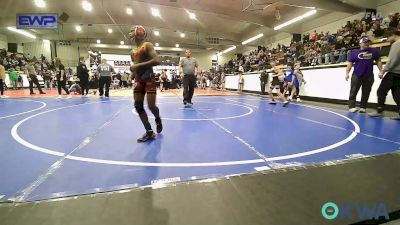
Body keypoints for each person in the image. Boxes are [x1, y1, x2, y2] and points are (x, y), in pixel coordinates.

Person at [129, 25, 163, 142]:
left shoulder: (147, 45)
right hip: (139, 80)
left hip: (149, 79)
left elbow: (157, 60)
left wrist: (136, 66)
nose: (138, 32)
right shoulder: (132, 52)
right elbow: (136, 67)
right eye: (137, 30)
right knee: (138, 106)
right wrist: (132, 74)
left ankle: (157, 118)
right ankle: (149, 132)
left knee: (151, 106)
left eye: (140, 31)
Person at [369, 30, 400, 119]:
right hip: (399, 75)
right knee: (397, 93)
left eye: (388, 37)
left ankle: (379, 111)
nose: (387, 39)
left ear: (393, 35)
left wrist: (383, 70)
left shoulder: (396, 44)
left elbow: (393, 60)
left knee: (381, 91)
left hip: (394, 73)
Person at [346, 37, 382, 113]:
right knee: (353, 91)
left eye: (368, 42)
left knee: (366, 92)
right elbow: (350, 63)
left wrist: (381, 71)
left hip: (369, 76)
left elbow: (378, 61)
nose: (367, 43)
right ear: (360, 43)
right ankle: (351, 106)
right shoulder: (354, 52)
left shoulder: (374, 51)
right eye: (365, 42)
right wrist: (347, 73)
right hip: (356, 75)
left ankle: (363, 107)